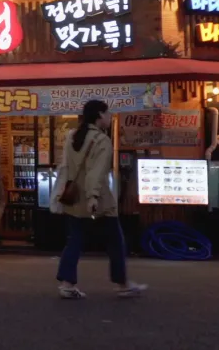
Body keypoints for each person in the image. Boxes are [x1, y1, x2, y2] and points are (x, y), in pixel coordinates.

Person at [52, 100, 146, 299]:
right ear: (99, 115)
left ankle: (67, 284)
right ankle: (123, 283)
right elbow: (97, 172)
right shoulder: (101, 140)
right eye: (107, 113)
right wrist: (93, 196)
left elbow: (66, 167)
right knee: (115, 240)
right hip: (98, 200)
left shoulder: (73, 136)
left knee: (74, 240)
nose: (110, 116)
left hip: (74, 196)